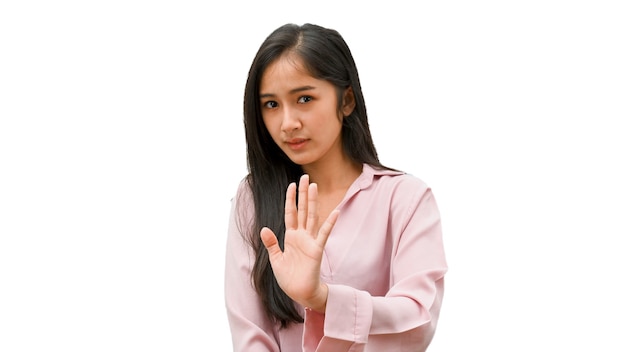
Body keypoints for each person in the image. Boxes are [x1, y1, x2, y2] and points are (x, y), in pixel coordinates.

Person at [224, 22, 448, 352]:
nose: (288, 123)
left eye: (304, 98)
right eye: (271, 104)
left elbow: (417, 318)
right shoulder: (253, 199)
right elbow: (249, 333)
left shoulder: (406, 199)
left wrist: (324, 298)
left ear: (346, 101)